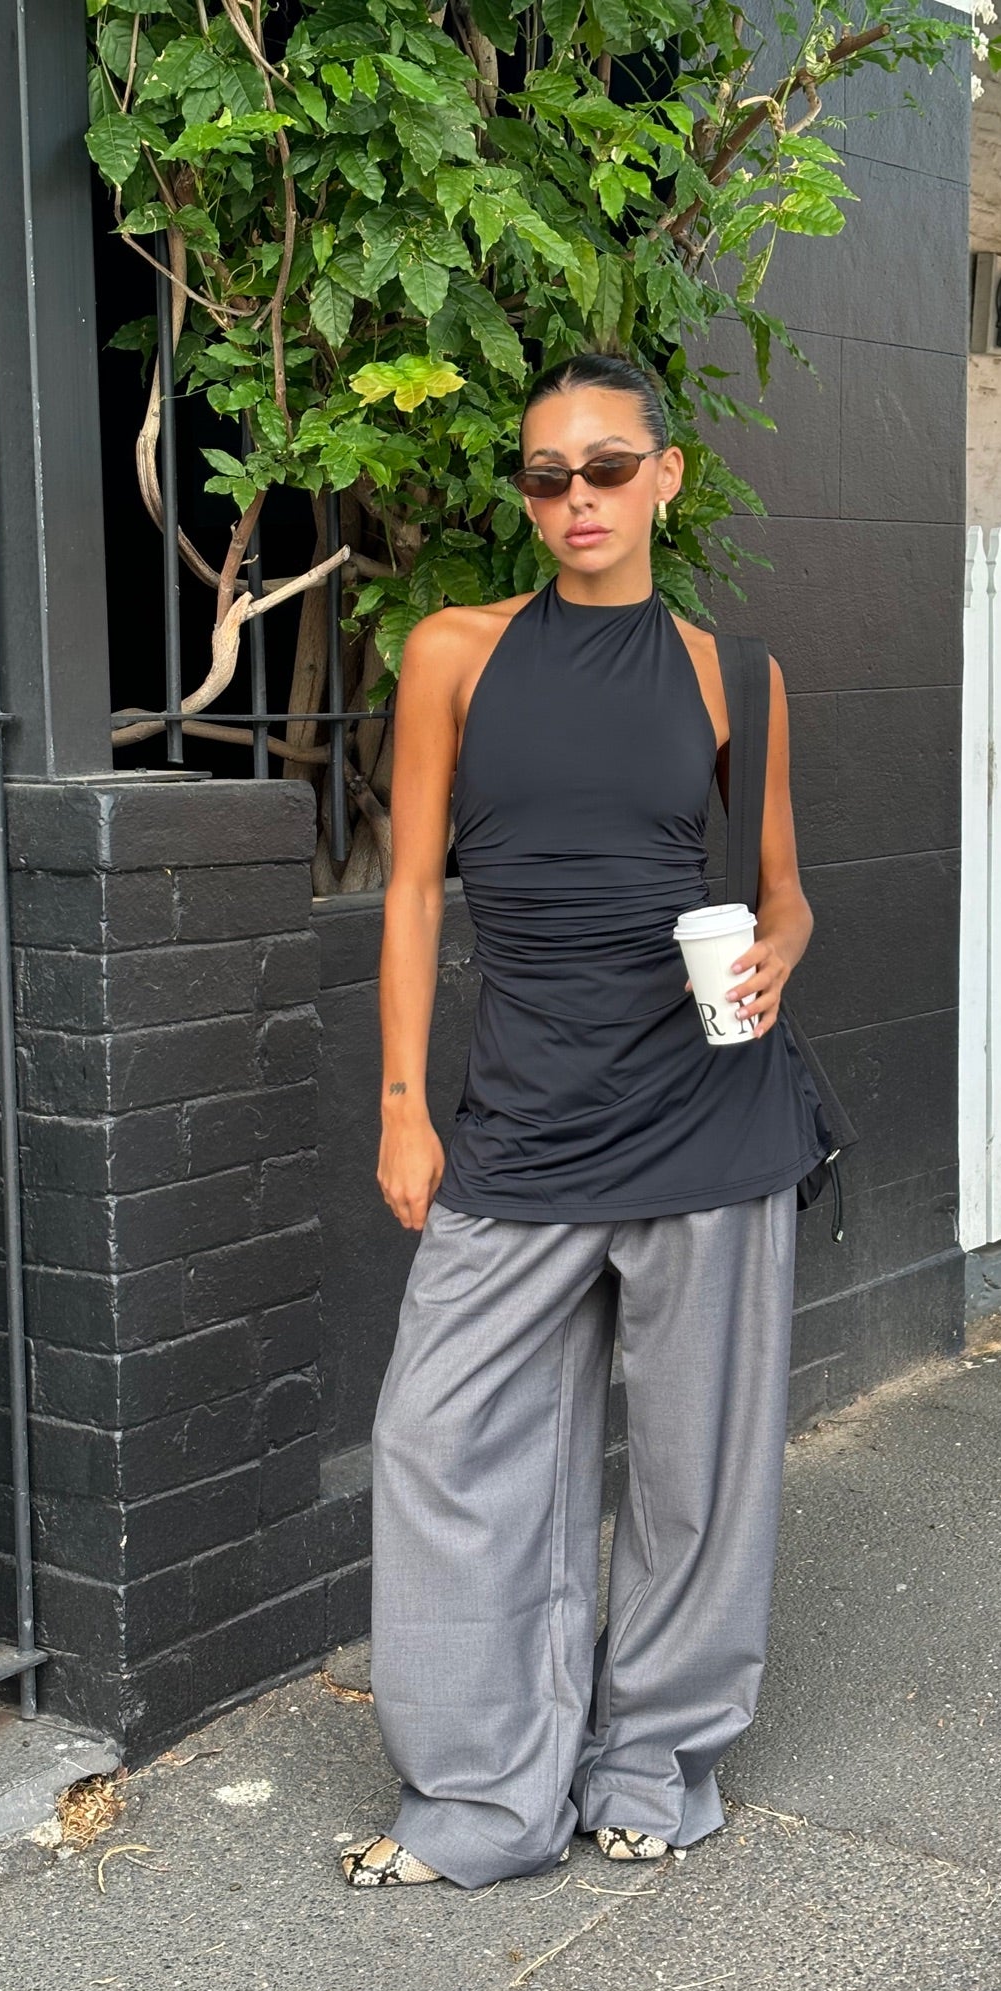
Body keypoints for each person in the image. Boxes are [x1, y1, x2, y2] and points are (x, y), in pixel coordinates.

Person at [339, 350, 828, 1890]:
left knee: (694, 1475)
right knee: (440, 1441)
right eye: (548, 477)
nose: (578, 500)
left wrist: (774, 953)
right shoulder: (454, 653)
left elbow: (783, 894)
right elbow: (412, 892)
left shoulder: (734, 674)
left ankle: (650, 1765)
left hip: (707, 1115)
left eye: (607, 468)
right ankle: (485, 1797)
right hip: (520, 1122)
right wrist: (402, 1102)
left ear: (664, 477)